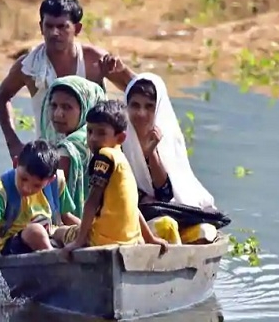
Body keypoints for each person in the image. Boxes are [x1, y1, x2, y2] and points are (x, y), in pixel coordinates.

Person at [0, 0, 135, 160]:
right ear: (41, 27)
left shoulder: (94, 61)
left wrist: (122, 70)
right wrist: (13, 143)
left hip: (93, 159)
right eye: (49, 26)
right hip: (49, 160)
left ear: (77, 28)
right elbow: (2, 96)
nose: (54, 33)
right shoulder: (30, 66)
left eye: (62, 27)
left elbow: (139, 88)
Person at [55, 100, 168, 257]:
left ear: (120, 138)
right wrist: (150, 238)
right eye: (89, 131)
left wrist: (79, 241)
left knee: (58, 232)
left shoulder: (104, 156)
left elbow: (92, 201)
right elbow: (133, 207)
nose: (93, 138)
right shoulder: (121, 159)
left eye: (101, 133)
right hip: (130, 241)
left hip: (101, 240)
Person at [123, 73, 219, 245]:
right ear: (126, 106)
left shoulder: (168, 140)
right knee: (166, 226)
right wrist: (142, 198)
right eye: (135, 105)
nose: (141, 113)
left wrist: (151, 152)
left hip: (171, 211)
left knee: (205, 231)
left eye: (149, 107)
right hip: (131, 214)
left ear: (158, 108)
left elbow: (165, 193)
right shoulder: (118, 137)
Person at [0, 140, 80, 255]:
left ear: (50, 180)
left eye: (36, 185)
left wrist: (88, 229)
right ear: (15, 163)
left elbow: (66, 216)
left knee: (76, 232)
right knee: (36, 232)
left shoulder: (56, 182)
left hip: (50, 234)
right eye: (23, 179)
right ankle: (54, 260)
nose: (27, 188)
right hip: (14, 244)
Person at [40, 75, 107, 217]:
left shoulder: (68, 150)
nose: (58, 114)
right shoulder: (104, 137)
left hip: (73, 224)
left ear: (85, 108)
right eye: (54, 105)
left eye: (67, 107)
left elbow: (46, 198)